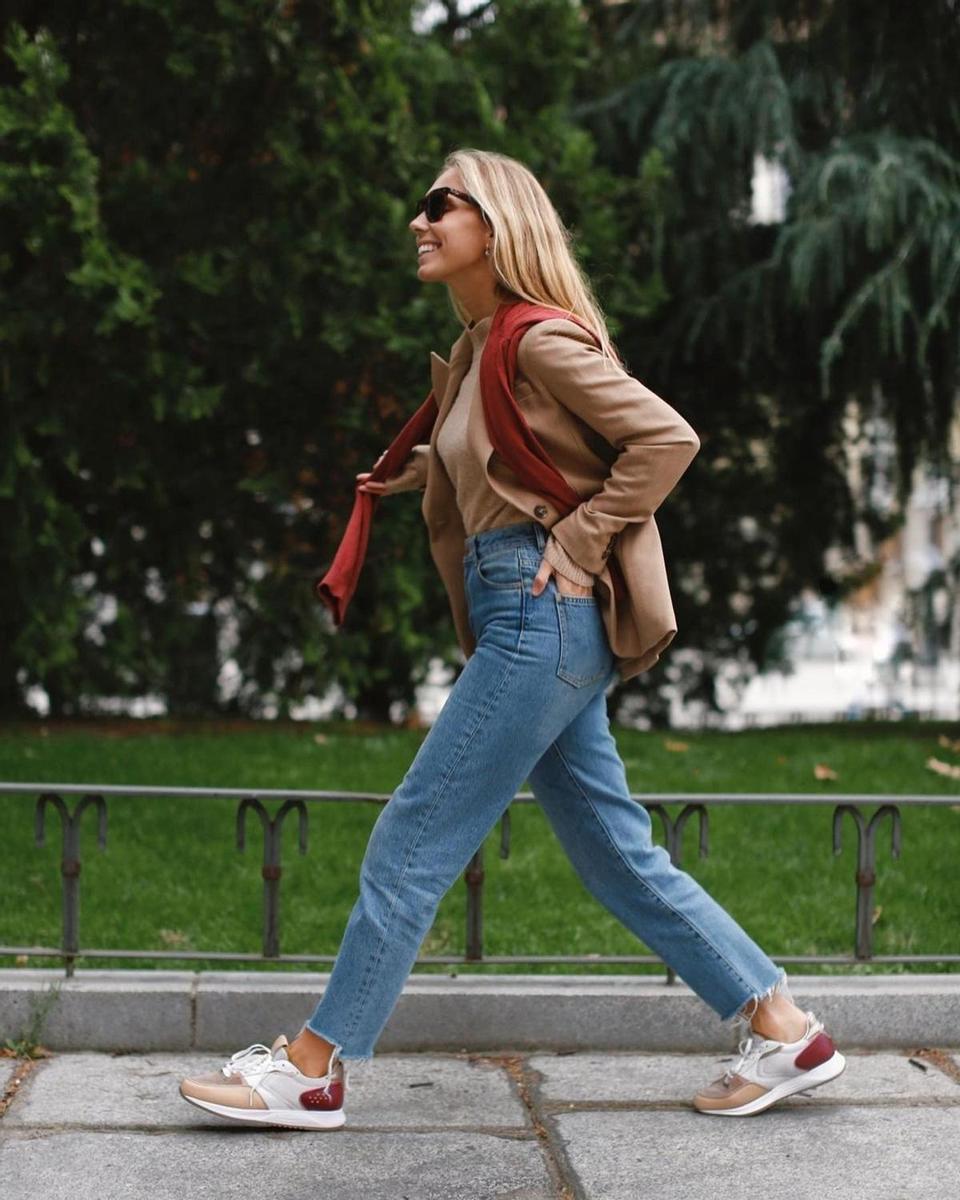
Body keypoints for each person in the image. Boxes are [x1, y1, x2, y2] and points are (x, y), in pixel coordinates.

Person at [179, 149, 845, 1130]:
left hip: (542, 616)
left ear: (496, 223)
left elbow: (666, 438)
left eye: (440, 204)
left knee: (413, 837)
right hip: (531, 618)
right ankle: (786, 1031)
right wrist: (426, 479)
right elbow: (516, 467)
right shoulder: (493, 345)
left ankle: (313, 1069)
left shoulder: (534, 340)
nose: (420, 220)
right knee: (617, 853)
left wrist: (578, 542)